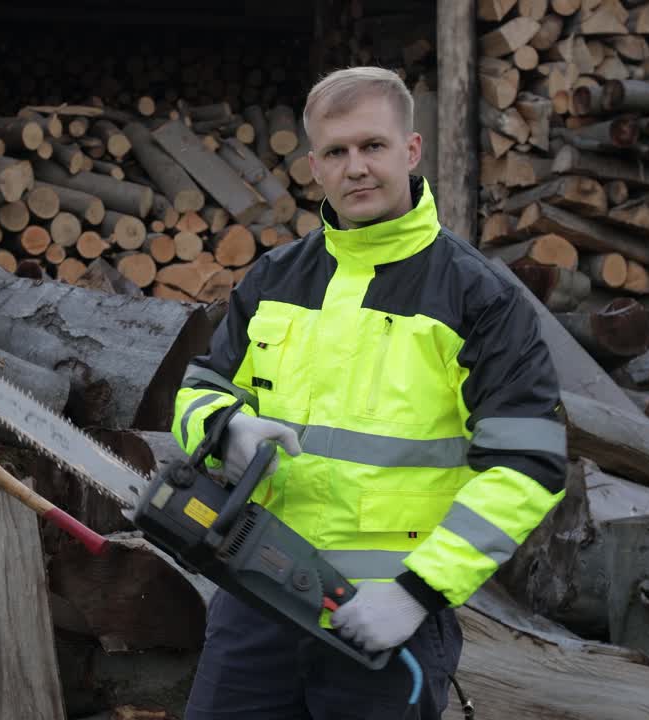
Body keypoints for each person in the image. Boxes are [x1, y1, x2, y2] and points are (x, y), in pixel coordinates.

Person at [171, 66, 568, 719]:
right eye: (336, 152)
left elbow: (529, 464)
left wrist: (417, 591)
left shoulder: (476, 296)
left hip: (386, 617)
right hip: (256, 598)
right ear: (314, 168)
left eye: (372, 146)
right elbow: (200, 387)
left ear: (410, 152)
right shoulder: (274, 277)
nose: (356, 167)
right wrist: (225, 429)